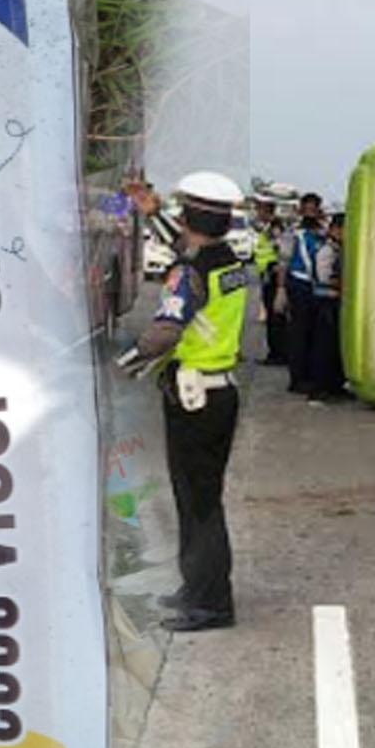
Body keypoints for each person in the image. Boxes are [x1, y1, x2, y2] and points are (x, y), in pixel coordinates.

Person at [114, 171, 250, 632]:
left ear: (190, 216)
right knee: (199, 500)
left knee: (199, 504)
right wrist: (152, 211)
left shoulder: (189, 273)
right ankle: (198, 589)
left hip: (195, 399)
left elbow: (164, 332)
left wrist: (125, 363)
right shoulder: (229, 260)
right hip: (218, 392)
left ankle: (212, 604)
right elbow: (187, 249)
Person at [279, 193, 326, 396]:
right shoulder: (293, 233)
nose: (310, 212)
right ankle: (297, 379)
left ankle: (311, 376)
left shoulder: (322, 233)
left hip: (317, 289)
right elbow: (283, 262)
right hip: (298, 285)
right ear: (300, 210)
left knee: (315, 334)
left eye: (313, 209)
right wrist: (280, 290)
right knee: (298, 334)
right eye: (307, 209)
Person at [306, 213, 348, 402]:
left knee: (335, 349)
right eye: (343, 229)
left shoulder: (341, 249)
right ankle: (320, 389)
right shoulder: (327, 251)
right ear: (334, 229)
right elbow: (324, 278)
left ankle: (335, 386)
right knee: (324, 349)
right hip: (325, 303)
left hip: (336, 303)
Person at [250, 196, 286, 365]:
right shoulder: (268, 227)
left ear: (267, 210)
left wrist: (279, 281)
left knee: (275, 318)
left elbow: (280, 252)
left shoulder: (274, 228)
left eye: (259, 209)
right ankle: (277, 352)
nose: (257, 213)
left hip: (273, 274)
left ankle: (277, 354)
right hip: (267, 273)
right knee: (272, 317)